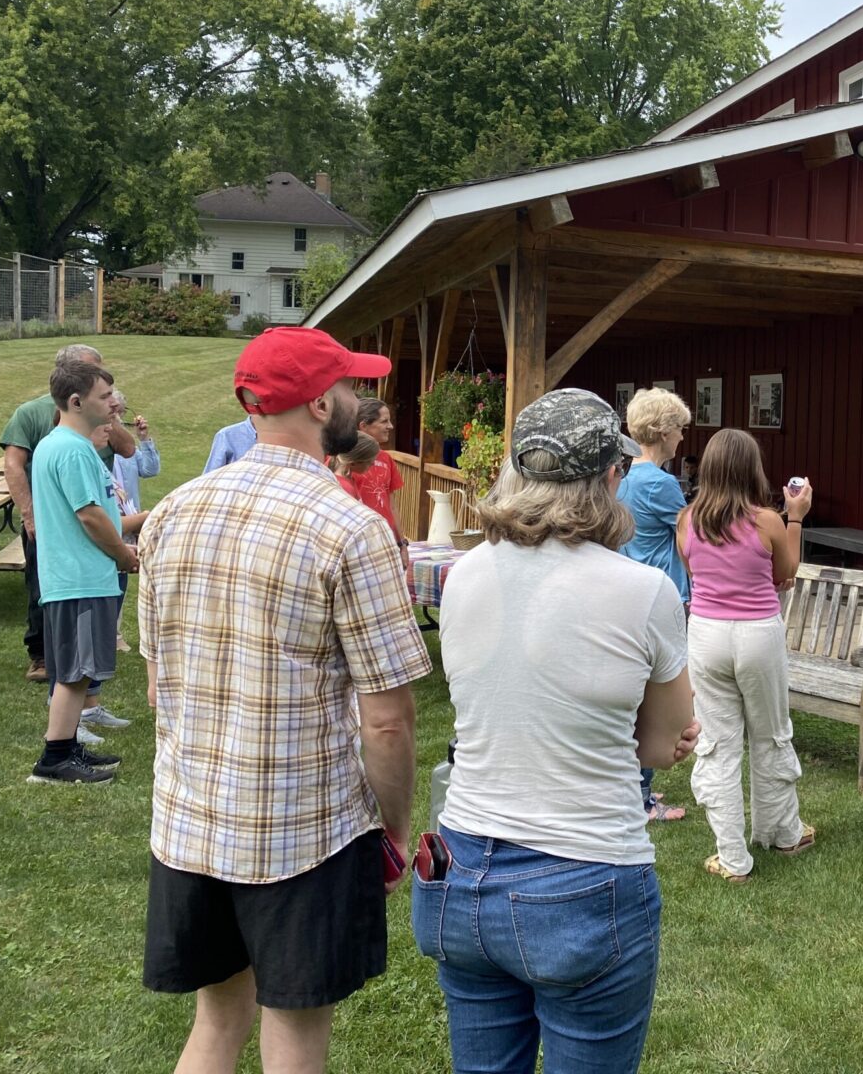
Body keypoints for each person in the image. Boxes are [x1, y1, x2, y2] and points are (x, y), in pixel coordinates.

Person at [139, 327, 431, 1074]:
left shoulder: (173, 512)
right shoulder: (351, 528)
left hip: (192, 819)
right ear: (320, 401)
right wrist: (393, 832)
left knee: (214, 1024)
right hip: (303, 831)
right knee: (296, 1037)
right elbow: (388, 717)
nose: (361, 403)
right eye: (351, 389)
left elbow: (155, 679)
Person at [417, 388, 698, 1073]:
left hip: (460, 868)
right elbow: (662, 744)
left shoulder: (465, 573)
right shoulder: (643, 590)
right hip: (584, 874)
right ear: (611, 477)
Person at [678, 428, 815, 883]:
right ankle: (783, 832)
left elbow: (694, 570)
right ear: (751, 468)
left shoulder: (687, 520)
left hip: (706, 634)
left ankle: (733, 857)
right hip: (758, 633)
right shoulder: (767, 521)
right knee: (771, 733)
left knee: (717, 743)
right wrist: (796, 517)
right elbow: (786, 571)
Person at [26, 358, 136, 785]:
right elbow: (90, 516)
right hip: (79, 579)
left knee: (79, 669)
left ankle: (69, 748)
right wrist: (123, 557)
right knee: (74, 673)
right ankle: (54, 760)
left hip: (78, 578)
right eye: (105, 396)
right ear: (76, 401)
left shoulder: (68, 446)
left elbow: (100, 512)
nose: (112, 404)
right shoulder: (71, 449)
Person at [0, 342, 135, 681]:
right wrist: (30, 516)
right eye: (95, 378)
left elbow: (129, 449)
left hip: (95, 522)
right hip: (62, 522)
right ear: (73, 384)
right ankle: (43, 656)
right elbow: (14, 465)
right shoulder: (38, 419)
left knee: (80, 653)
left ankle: (82, 687)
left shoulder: (98, 417)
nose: (108, 393)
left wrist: (112, 414)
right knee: (43, 591)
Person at [618, 387, 694, 823]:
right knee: (656, 695)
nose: (683, 437)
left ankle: (637, 784)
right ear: (663, 431)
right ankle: (644, 799)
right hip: (663, 595)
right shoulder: (662, 484)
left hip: (631, 593)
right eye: (680, 429)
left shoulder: (625, 478)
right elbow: (689, 539)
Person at [106, 388, 158, 657]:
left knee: (123, 575)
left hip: (129, 520)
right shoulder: (95, 443)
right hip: (111, 518)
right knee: (108, 575)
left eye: (118, 409)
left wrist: (144, 438)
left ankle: (113, 634)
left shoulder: (126, 445)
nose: (113, 413)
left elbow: (150, 469)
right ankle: (106, 634)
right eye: (110, 407)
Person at [348, 398, 410, 561]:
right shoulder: (342, 460)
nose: (390, 426)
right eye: (384, 421)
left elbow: (392, 506)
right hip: (358, 543)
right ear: (363, 426)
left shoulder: (386, 459)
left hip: (386, 541)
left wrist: (402, 544)